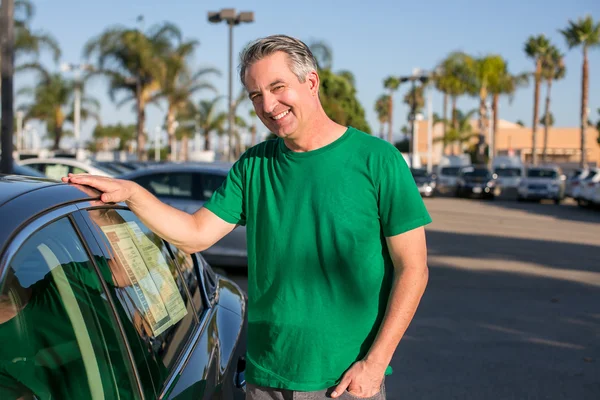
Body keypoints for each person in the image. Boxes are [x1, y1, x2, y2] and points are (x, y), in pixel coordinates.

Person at [63, 34, 431, 400]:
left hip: (346, 380)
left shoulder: (378, 160)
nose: (268, 105)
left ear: (311, 82)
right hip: (266, 376)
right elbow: (195, 234)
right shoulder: (253, 165)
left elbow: (412, 268)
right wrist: (133, 194)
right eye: (256, 95)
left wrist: (376, 363)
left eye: (277, 87)